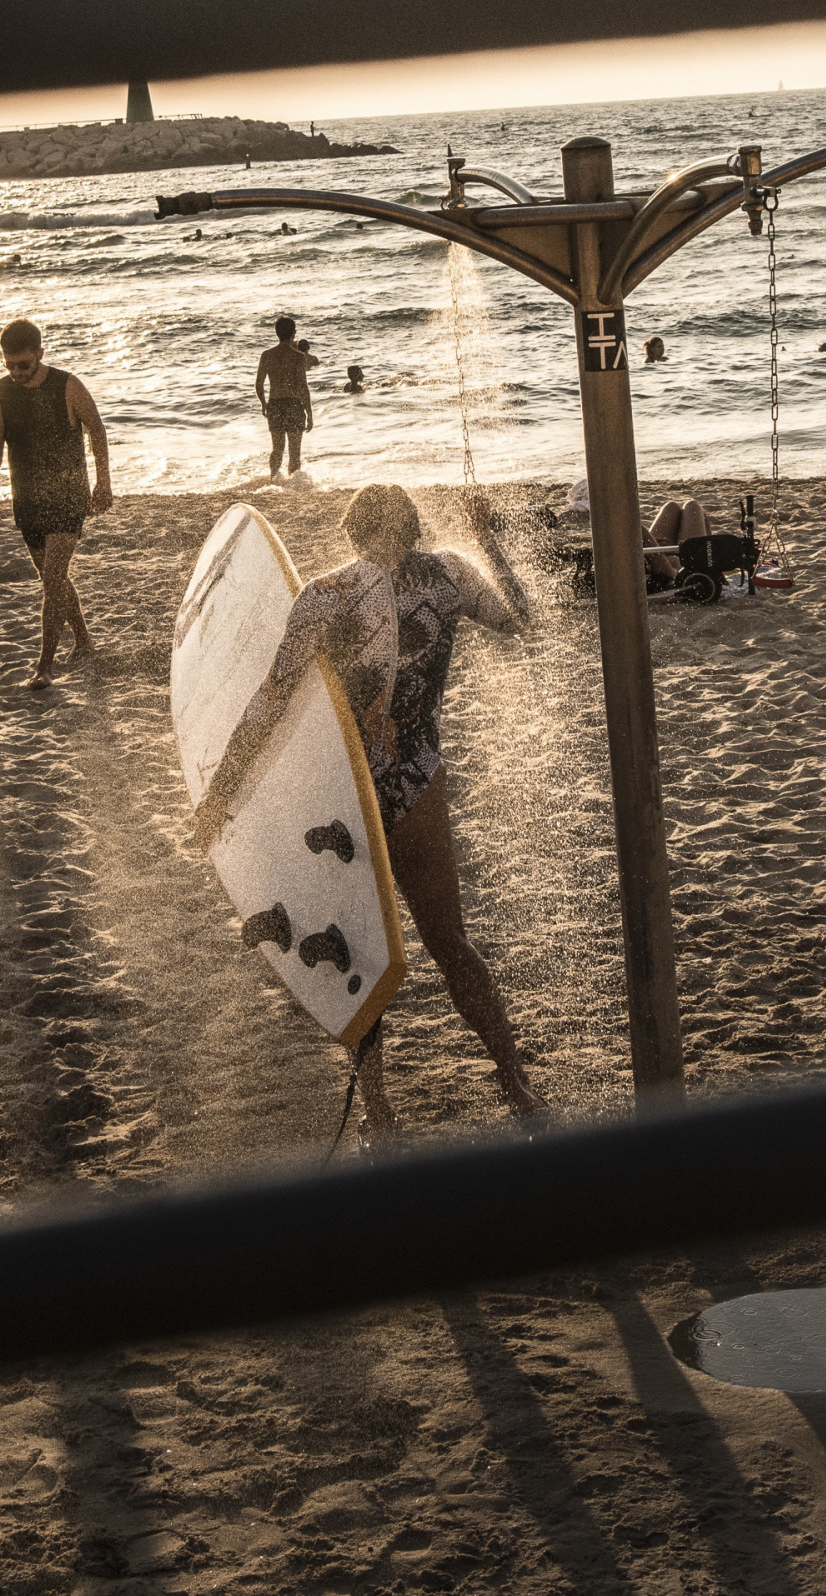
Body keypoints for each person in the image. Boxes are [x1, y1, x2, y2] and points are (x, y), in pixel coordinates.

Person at [192, 483, 546, 1140]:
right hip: (417, 781)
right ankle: (516, 1083)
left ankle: (380, 1111)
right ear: (412, 525)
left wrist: (220, 793)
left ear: (353, 531)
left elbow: (271, 701)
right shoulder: (449, 574)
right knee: (452, 945)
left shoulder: (327, 594)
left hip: (347, 797)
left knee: (355, 953)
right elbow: (519, 617)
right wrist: (489, 535)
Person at [0, 318, 112, 687]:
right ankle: (84, 640)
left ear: (40, 353)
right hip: (28, 498)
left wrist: (103, 482)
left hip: (68, 495)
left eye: (24, 364)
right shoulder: (2, 390)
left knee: (53, 578)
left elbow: (96, 431)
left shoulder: (68, 386)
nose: (17, 372)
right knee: (52, 579)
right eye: (10, 365)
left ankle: (45, 665)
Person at [257, 315, 319, 479]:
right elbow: (303, 387)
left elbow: (259, 384)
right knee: (294, 451)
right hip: (293, 405)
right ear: (294, 333)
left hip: (275, 404)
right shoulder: (298, 357)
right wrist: (309, 413)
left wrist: (264, 404)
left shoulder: (266, 355)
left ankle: (274, 478)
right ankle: (293, 482)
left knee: (277, 449)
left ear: (277, 333)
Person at [646, 498, 710, 584]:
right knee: (693, 506)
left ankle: (711, 561)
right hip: (669, 570)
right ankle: (712, 565)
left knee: (671, 507)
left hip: (649, 556)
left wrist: (650, 545)